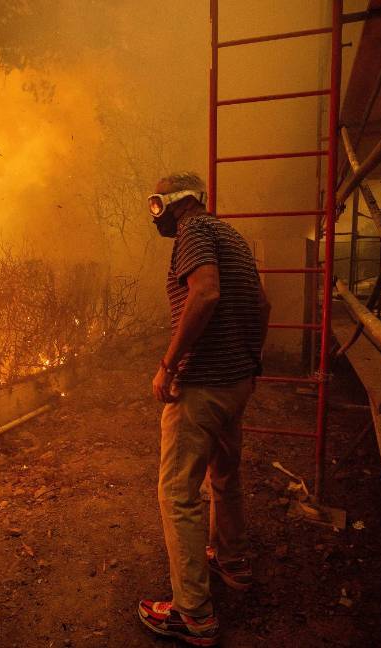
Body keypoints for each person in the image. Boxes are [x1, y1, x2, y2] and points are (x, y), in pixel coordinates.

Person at [137, 171, 269, 647]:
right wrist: (250, 362)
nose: (155, 215)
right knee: (224, 475)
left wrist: (169, 364)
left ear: (176, 202)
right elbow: (263, 304)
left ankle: (192, 614)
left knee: (178, 493)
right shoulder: (231, 236)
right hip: (235, 383)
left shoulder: (193, 231)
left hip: (202, 387)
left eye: (156, 204)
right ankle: (232, 562)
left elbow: (206, 292)